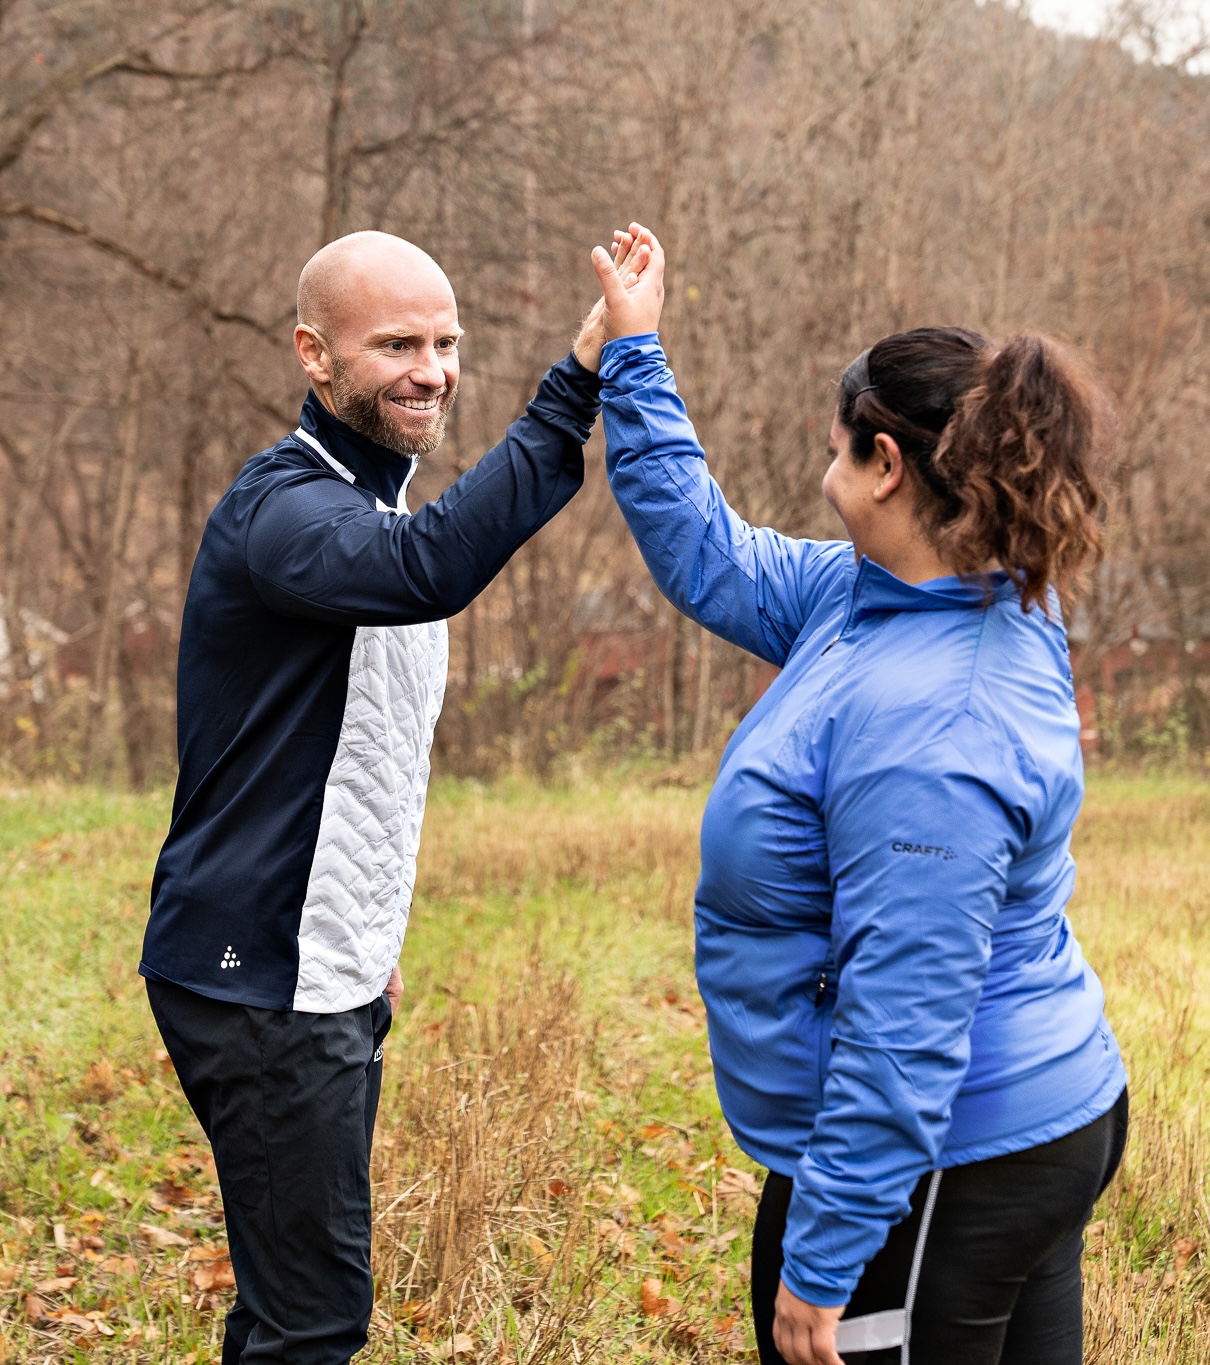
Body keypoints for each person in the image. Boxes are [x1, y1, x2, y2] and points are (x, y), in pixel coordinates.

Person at [587, 225, 1128, 1365]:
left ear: (886, 463)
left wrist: (823, 1262)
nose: (820, 470)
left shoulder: (937, 731)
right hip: (1008, 1127)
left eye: (836, 450)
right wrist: (633, 358)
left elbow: (905, 1022)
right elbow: (708, 554)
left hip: (943, 1162)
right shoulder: (891, 595)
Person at [139, 229, 639, 1364]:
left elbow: (358, 749)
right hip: (261, 980)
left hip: (323, 963)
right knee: (312, 1323)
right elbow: (429, 570)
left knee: (288, 1305)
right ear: (315, 355)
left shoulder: (372, 506)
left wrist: (367, 934)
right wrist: (575, 386)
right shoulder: (286, 514)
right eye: (398, 344)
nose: (433, 369)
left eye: (448, 342)